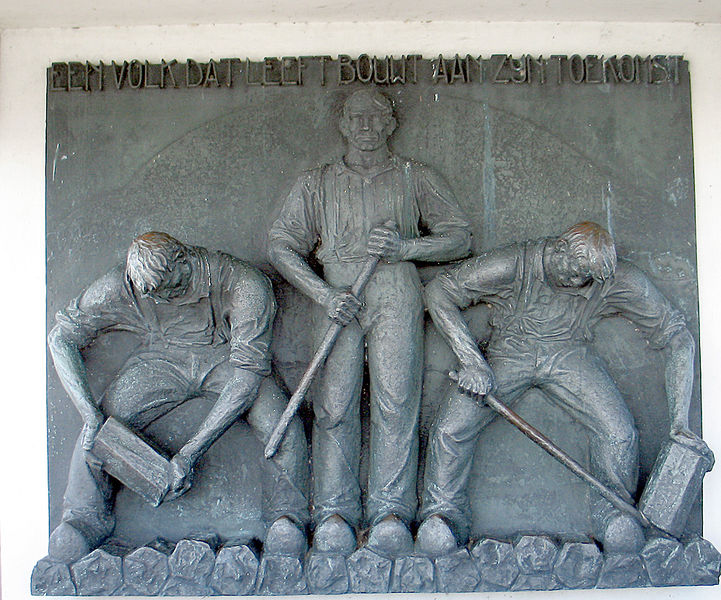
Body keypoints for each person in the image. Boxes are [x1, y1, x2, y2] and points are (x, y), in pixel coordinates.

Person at [416, 221, 713, 555]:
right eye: (573, 273)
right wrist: (471, 360)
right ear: (559, 248)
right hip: (509, 353)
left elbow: (676, 335)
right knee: (449, 428)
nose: (577, 283)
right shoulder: (512, 263)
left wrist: (679, 422)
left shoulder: (610, 278)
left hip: (569, 355)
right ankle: (442, 514)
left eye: (585, 279)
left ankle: (613, 515)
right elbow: (439, 292)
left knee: (620, 432)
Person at [268, 89, 471, 555]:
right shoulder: (315, 183)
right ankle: (335, 513)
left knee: (396, 402)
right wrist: (321, 293)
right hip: (337, 293)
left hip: (397, 288)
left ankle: (391, 513)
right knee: (335, 403)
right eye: (356, 117)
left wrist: (408, 248)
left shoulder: (414, 177)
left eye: (376, 117)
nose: (366, 125)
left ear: (390, 124)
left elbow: (459, 236)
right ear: (341, 123)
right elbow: (281, 244)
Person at [47, 232, 309, 563]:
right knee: (98, 428)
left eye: (168, 289)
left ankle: (287, 517)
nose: (160, 299)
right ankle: (83, 518)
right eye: (151, 295)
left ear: (184, 261)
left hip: (227, 359)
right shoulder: (123, 285)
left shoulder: (245, 285)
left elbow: (246, 378)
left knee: (281, 424)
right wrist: (88, 414)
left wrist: (188, 454)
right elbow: (61, 338)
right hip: (160, 359)